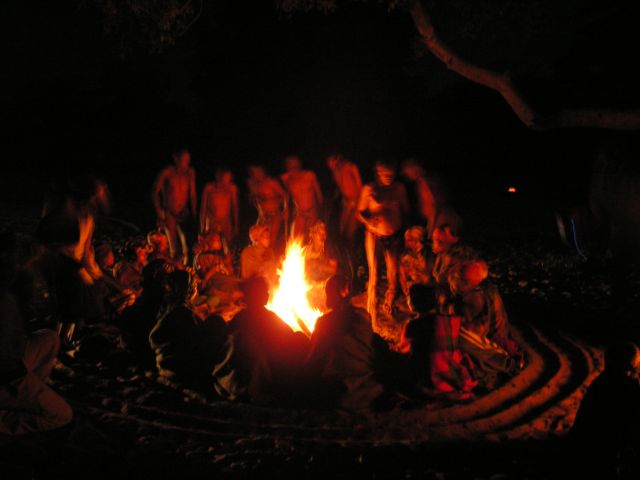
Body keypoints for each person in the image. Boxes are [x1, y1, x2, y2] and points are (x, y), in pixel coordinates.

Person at [0, 229, 72, 434]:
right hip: (8, 375)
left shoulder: (9, 292)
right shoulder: (4, 299)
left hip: (15, 362)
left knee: (49, 339)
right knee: (61, 414)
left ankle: (27, 396)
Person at [213, 276, 308, 403]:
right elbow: (290, 338)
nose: (268, 295)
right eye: (265, 292)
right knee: (299, 338)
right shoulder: (270, 319)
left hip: (236, 378)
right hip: (262, 376)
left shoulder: (239, 318)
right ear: (263, 296)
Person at [303, 274, 383, 410]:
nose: (327, 294)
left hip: (340, 382)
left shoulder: (325, 322)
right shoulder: (364, 315)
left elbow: (314, 358)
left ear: (340, 293)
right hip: (366, 378)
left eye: (329, 291)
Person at [149, 269, 228, 395]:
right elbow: (197, 343)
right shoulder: (181, 314)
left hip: (164, 365)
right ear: (188, 289)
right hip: (181, 370)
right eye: (194, 286)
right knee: (216, 322)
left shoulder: (167, 306)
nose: (196, 288)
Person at [447, 260, 523, 389]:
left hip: (492, 346)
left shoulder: (474, 298)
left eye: (457, 278)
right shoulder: (484, 290)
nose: (452, 281)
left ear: (469, 283)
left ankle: (508, 365)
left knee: (456, 334)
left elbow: (475, 334)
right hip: (493, 341)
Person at [571, 342, 640, 478]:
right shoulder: (627, 387)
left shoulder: (599, 384)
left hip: (589, 455)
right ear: (630, 366)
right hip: (607, 456)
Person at [356, 160, 409, 324]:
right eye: (385, 174)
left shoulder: (399, 188)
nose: (388, 177)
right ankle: (371, 313)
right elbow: (359, 212)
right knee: (374, 274)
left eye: (391, 174)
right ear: (378, 172)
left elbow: (406, 210)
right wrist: (368, 222)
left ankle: (388, 307)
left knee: (393, 275)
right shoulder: (370, 189)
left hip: (394, 236)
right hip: (374, 236)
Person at [152, 148, 197, 265]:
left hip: (184, 213)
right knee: (174, 248)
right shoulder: (167, 172)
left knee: (187, 247)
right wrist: (160, 213)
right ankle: (174, 273)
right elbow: (155, 192)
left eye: (188, 160)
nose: (186, 163)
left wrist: (194, 214)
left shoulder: (190, 172)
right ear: (176, 159)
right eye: (183, 160)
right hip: (169, 213)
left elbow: (192, 195)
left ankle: (186, 274)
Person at [280, 155, 324, 240]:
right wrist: (286, 209)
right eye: (290, 165)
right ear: (287, 167)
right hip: (300, 214)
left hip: (312, 212)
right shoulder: (286, 180)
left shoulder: (309, 175)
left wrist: (321, 213)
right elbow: (284, 195)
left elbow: (319, 195)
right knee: (295, 239)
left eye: (295, 164)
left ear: (299, 164)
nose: (293, 167)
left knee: (312, 239)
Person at [247, 165, 288, 253]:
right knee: (256, 238)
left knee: (271, 241)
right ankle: (259, 260)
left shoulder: (271, 182)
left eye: (256, 172)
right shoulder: (256, 185)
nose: (255, 175)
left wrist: (286, 209)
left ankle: (271, 259)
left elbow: (284, 195)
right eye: (253, 173)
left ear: (261, 172)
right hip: (263, 215)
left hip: (275, 214)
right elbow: (255, 201)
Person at [401, 159, 443, 237]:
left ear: (416, 168)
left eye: (408, 172)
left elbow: (435, 205)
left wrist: (431, 227)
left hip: (436, 221)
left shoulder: (428, 182)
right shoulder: (419, 182)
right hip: (429, 220)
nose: (407, 176)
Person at [327, 154, 363, 241]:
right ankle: (344, 244)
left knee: (352, 227)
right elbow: (340, 187)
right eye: (329, 164)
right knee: (343, 224)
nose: (331, 165)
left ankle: (352, 246)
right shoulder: (335, 172)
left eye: (332, 162)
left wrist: (360, 201)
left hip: (356, 200)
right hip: (346, 200)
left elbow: (360, 185)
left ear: (338, 159)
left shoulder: (351, 167)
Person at [200, 168, 239, 247]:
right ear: (218, 177)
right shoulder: (209, 188)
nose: (225, 181)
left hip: (226, 222)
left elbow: (235, 208)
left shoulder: (232, 188)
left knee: (228, 246)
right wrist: (202, 227)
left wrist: (236, 226)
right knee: (212, 245)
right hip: (212, 222)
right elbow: (203, 209)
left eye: (228, 178)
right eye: (223, 178)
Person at [399, 226, 433, 310]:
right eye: (406, 240)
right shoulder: (406, 255)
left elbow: (429, 276)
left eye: (409, 240)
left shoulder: (429, 254)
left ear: (417, 241)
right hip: (413, 289)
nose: (406, 243)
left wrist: (419, 275)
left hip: (426, 289)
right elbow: (403, 275)